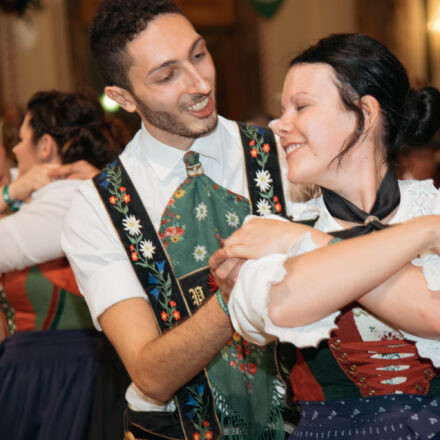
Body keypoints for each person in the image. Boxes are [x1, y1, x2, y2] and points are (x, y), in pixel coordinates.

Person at [62, 1, 305, 438]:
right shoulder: (97, 207)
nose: (200, 83)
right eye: (166, 75)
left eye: (198, 54)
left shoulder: (285, 155)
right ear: (123, 97)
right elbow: (151, 375)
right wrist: (236, 295)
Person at [210, 34, 440, 439]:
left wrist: (305, 244)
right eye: (282, 110)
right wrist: (426, 235)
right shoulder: (273, 231)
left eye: (301, 106)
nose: (280, 125)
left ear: (364, 114)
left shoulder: (284, 237)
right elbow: (281, 305)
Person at [0, 90, 130, 440]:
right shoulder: (63, 193)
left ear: (45, 147)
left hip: (64, 371)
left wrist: (8, 195)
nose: (14, 150)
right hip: (48, 367)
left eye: (20, 139)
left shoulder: (68, 196)